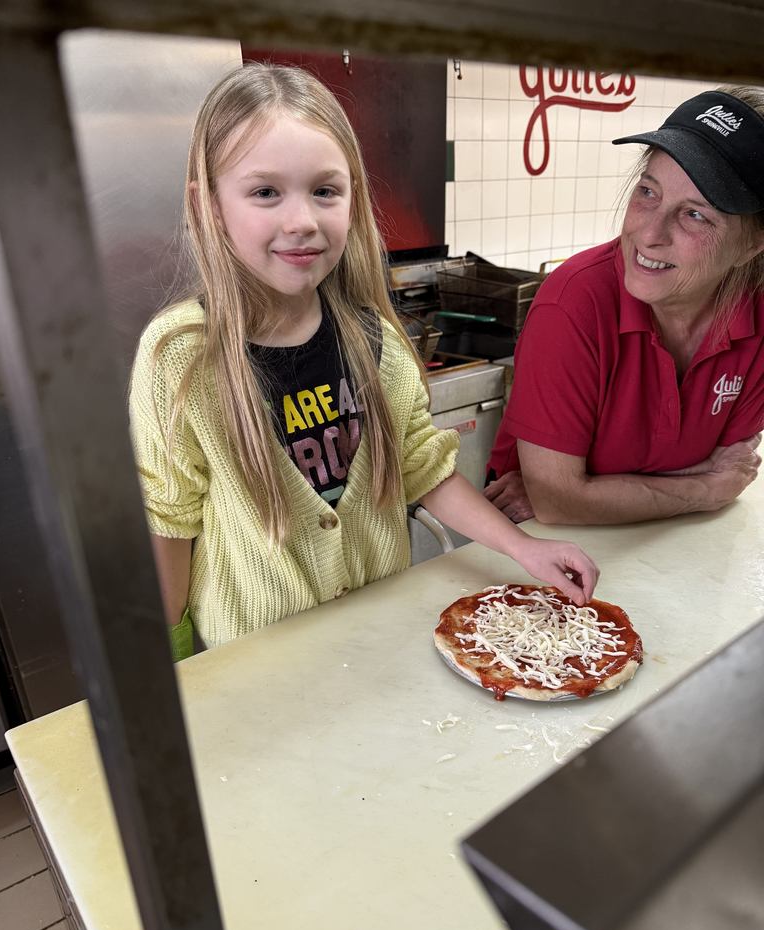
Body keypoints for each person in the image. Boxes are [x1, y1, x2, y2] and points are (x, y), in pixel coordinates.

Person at [129, 63, 598, 658]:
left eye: (325, 190)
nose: (301, 221)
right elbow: (169, 522)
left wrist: (521, 548)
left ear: (353, 198)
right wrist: (170, 667)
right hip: (256, 667)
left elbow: (422, 466)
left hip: (380, 645)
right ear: (209, 205)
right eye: (265, 192)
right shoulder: (182, 357)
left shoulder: (371, 336)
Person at [486, 85, 764, 525]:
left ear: (753, 245)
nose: (648, 233)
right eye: (648, 192)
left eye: (695, 214)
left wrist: (588, 491)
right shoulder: (574, 303)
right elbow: (558, 503)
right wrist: (705, 488)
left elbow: (734, 466)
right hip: (543, 561)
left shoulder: (758, 316)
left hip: (677, 547)